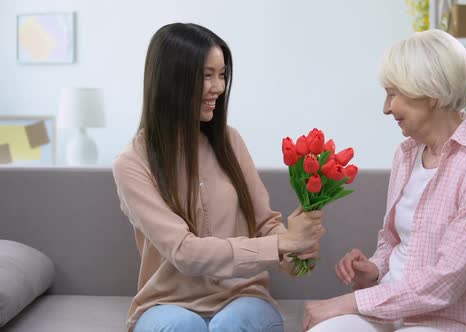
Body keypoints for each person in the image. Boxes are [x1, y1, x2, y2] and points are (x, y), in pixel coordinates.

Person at [112, 23, 326, 332]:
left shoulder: (230, 141)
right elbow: (185, 252)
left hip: (242, 297)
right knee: (181, 327)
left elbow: (264, 224)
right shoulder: (132, 163)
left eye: (222, 74)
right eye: (206, 76)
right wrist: (281, 244)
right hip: (166, 304)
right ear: (173, 80)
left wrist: (296, 252)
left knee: (232, 324)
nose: (219, 87)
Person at [303, 29, 466, 332]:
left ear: (430, 92)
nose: (386, 108)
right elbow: (394, 240)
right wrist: (375, 269)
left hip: (449, 321)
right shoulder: (406, 154)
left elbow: (444, 283)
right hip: (391, 313)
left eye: (393, 93)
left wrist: (347, 302)